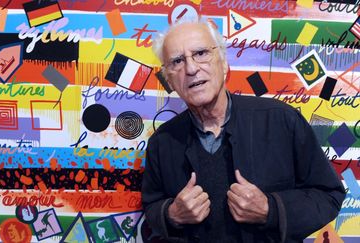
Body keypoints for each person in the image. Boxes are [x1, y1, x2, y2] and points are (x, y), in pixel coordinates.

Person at [141, 19, 346, 243]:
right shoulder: (162, 142)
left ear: (223, 62)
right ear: (169, 79)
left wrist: (271, 209)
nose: (191, 68)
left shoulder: (281, 120)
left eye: (200, 53)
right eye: (177, 61)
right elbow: (152, 205)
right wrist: (172, 214)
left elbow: (329, 195)